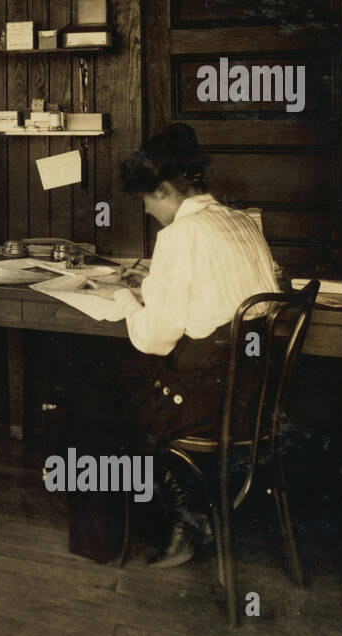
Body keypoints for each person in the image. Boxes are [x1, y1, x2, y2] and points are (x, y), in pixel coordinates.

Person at [70, 123, 279, 567]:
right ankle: (175, 507)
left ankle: (127, 533)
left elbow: (155, 337)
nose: (147, 211)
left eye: (147, 199)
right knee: (110, 385)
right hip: (251, 393)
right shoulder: (240, 220)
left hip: (203, 400)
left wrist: (124, 297)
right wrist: (155, 284)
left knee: (89, 396)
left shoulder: (178, 237)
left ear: (164, 189)